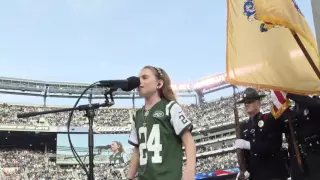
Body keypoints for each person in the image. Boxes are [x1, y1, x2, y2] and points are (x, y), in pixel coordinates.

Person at [127, 66, 196, 180]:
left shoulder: (170, 108)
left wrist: (189, 171)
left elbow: (189, 142)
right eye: (139, 78)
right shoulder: (137, 115)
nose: (139, 82)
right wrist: (129, 177)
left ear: (159, 83)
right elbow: (137, 151)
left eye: (145, 77)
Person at [234, 88, 288, 180]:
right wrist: (243, 170)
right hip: (255, 175)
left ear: (259, 102)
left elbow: (273, 146)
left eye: (250, 101)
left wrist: (249, 145)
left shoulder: (269, 119)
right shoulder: (243, 127)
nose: (247, 104)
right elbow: (245, 155)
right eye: (245, 102)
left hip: (273, 173)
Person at [284, 93, 320, 180]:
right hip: (299, 161)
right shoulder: (293, 110)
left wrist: (290, 93)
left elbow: (314, 105)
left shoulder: (314, 101)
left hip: (315, 156)